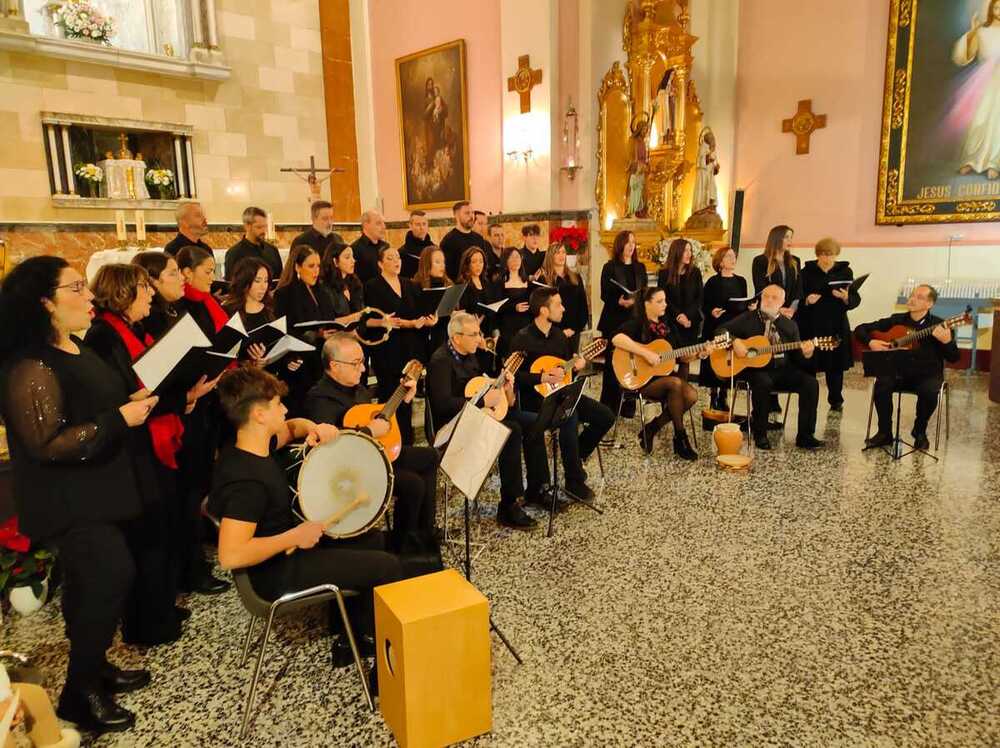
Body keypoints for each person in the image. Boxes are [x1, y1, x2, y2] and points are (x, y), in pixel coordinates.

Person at [0, 256, 159, 733]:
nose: (90, 296)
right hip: (66, 497)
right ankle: (78, 694)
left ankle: (96, 668)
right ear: (45, 302)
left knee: (91, 585)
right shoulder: (30, 365)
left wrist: (124, 405)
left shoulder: (74, 346)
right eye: (76, 288)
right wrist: (118, 420)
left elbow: (90, 403)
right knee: (111, 576)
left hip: (99, 488)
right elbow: (45, 442)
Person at [210, 366, 402, 668]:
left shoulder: (258, 443)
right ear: (259, 415)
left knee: (373, 538)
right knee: (387, 568)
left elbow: (295, 427)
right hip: (275, 571)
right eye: (277, 405)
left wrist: (314, 428)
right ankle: (385, 669)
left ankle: (349, 635)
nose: (285, 409)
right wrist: (295, 537)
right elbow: (230, 555)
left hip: (289, 547)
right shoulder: (245, 482)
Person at [84, 264, 191, 647]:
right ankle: (146, 623)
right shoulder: (102, 337)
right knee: (146, 533)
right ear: (124, 294)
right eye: (144, 290)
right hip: (129, 448)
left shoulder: (132, 329)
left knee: (161, 526)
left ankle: (160, 606)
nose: (150, 296)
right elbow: (106, 395)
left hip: (150, 436)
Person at [304, 334, 440, 556]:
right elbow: (331, 450)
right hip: (350, 471)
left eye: (362, 361)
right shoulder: (320, 399)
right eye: (355, 363)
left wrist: (403, 402)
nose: (363, 369)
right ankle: (401, 546)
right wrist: (368, 431)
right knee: (413, 484)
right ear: (334, 366)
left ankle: (422, 532)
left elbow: (380, 421)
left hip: (373, 455)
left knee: (430, 456)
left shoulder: (357, 389)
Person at [426, 312, 549, 529]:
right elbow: (442, 405)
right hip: (456, 425)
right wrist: (481, 401)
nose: (479, 338)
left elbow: (484, 384)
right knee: (511, 430)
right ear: (456, 338)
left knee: (535, 422)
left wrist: (505, 386)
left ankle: (537, 488)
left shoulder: (471, 353)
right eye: (473, 334)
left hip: (480, 414)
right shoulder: (440, 361)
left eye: (479, 333)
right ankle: (509, 504)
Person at [511, 288, 614, 501]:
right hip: (536, 402)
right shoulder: (522, 338)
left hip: (562, 394)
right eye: (558, 304)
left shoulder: (559, 336)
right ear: (543, 310)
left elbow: (565, 371)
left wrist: (577, 366)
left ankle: (576, 457)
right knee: (570, 416)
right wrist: (541, 378)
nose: (563, 308)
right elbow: (513, 375)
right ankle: (574, 480)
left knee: (605, 416)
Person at [174, 245, 232, 595]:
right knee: (191, 487)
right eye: (207, 271)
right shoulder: (183, 308)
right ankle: (193, 565)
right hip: (191, 404)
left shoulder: (208, 304)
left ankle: (209, 539)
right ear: (186, 273)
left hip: (211, 398)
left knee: (206, 477)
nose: (213, 276)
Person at [855, 284, 959, 450]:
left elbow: (954, 358)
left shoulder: (940, 325)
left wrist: (947, 342)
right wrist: (871, 341)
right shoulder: (896, 320)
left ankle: (919, 431)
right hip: (897, 373)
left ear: (929, 304)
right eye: (912, 295)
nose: (912, 299)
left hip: (926, 375)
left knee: (930, 390)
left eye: (919, 297)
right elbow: (860, 329)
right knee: (882, 384)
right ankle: (884, 433)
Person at [721, 284, 821, 451]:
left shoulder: (790, 326)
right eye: (766, 296)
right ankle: (760, 433)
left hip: (782, 370)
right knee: (763, 382)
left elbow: (798, 361)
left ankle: (805, 435)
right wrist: (734, 341)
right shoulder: (748, 318)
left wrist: (808, 353)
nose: (768, 300)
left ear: (782, 302)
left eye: (774, 298)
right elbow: (720, 330)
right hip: (755, 370)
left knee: (810, 383)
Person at [611, 288, 701, 460]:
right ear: (646, 304)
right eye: (660, 301)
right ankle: (680, 439)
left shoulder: (668, 328)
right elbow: (616, 338)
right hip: (641, 381)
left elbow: (681, 355)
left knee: (692, 396)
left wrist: (699, 353)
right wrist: (645, 353)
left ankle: (652, 429)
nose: (665, 305)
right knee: (675, 384)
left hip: (665, 380)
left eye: (665, 300)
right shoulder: (637, 323)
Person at [364, 247, 435, 445]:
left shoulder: (410, 284)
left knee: (409, 397)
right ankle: (392, 442)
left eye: (397, 257)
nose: (396, 261)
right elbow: (374, 320)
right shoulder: (372, 286)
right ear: (380, 264)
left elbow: (421, 312)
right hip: (388, 350)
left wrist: (430, 320)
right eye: (390, 258)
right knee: (391, 397)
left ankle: (408, 442)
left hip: (411, 348)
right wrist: (410, 323)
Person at [274, 245, 339, 416]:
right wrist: (317, 334)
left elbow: (328, 319)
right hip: (299, 364)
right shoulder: (284, 294)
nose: (316, 271)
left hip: (321, 362)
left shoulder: (322, 292)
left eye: (318, 266)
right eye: (311, 266)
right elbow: (283, 333)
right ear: (297, 267)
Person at [797, 238, 860, 411]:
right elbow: (797, 298)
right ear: (817, 255)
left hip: (836, 323)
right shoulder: (806, 272)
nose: (826, 258)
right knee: (810, 362)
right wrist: (807, 300)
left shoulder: (845, 271)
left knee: (835, 365)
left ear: (836, 255)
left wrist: (845, 297)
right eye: (823, 254)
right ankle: (809, 395)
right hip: (812, 323)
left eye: (830, 254)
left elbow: (855, 298)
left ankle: (836, 399)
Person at [223, 258, 306, 373]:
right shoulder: (228, 311)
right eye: (258, 281)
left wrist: (289, 360)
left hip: (269, 376)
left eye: (266, 281)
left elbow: (279, 344)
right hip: (239, 379)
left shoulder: (271, 308)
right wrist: (249, 363)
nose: (263, 287)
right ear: (245, 281)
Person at [596, 230, 648, 415]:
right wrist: (618, 301)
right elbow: (604, 293)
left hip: (634, 319)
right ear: (620, 245)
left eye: (634, 242)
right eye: (628, 242)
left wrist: (637, 300)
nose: (631, 246)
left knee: (632, 362)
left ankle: (628, 405)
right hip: (614, 319)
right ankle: (608, 405)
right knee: (612, 363)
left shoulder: (640, 267)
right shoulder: (609, 267)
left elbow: (644, 292)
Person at [951, 0, 1000, 180]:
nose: (999, 10)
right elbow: (967, 55)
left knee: (997, 121)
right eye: (996, 7)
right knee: (979, 119)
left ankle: (993, 163)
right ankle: (971, 159)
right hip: (983, 81)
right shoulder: (982, 32)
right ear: (991, 9)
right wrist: (972, 32)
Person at [701, 246, 751, 410]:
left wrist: (750, 307)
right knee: (715, 360)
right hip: (716, 325)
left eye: (734, 256)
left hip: (734, 326)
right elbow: (704, 303)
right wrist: (711, 311)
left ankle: (724, 395)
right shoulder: (713, 281)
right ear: (720, 262)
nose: (733, 259)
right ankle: (714, 395)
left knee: (729, 362)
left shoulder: (741, 281)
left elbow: (743, 301)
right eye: (729, 256)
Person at [656, 238, 704, 381]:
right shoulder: (664, 274)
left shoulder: (695, 272)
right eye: (685, 250)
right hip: (671, 322)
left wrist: (687, 316)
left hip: (690, 322)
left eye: (690, 250)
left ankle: (681, 390)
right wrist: (678, 316)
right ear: (677, 252)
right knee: (670, 357)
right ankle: (669, 390)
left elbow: (699, 298)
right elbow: (664, 298)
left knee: (686, 359)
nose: (689, 254)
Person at [538, 242, 590, 354]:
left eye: (563, 252)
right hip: (552, 332)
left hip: (574, 331)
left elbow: (583, 306)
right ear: (551, 256)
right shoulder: (544, 280)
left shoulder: (576, 277)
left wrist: (575, 329)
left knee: (572, 367)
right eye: (557, 253)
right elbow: (543, 310)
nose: (561, 255)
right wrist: (559, 332)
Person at [411, 246, 452, 361]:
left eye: (443, 262)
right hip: (424, 339)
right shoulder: (416, 286)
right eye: (437, 262)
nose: (442, 266)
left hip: (444, 336)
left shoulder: (448, 284)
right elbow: (414, 313)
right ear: (427, 265)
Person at [224, 206, 282, 281]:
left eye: (265, 226)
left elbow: (280, 278)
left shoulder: (273, 250)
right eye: (259, 227)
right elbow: (230, 284)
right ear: (247, 226)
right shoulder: (234, 253)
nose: (264, 231)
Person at [440, 201, 490, 282]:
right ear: (456, 215)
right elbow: (447, 272)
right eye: (467, 213)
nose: (471, 216)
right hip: (460, 287)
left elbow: (484, 265)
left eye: (472, 212)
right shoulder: (448, 241)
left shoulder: (479, 239)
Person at [496, 246, 532, 359]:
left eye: (517, 257)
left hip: (526, 327)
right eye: (511, 257)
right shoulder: (499, 283)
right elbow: (497, 307)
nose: (515, 260)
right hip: (508, 328)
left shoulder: (528, 282)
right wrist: (514, 307)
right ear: (505, 261)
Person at [319, 242, 366, 327]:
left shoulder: (355, 283)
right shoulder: (324, 287)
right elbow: (326, 322)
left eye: (353, 257)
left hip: (356, 334)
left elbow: (361, 314)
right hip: (334, 336)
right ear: (335, 261)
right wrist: (352, 318)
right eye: (347, 257)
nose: (353, 261)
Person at [351, 209, 390, 284]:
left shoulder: (386, 246)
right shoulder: (355, 249)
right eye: (378, 223)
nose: (384, 227)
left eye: (383, 223)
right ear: (366, 225)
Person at [399, 210, 434, 279]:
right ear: (410, 226)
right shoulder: (402, 253)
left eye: (424, 224)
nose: (422, 228)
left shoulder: (434, 249)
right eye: (418, 224)